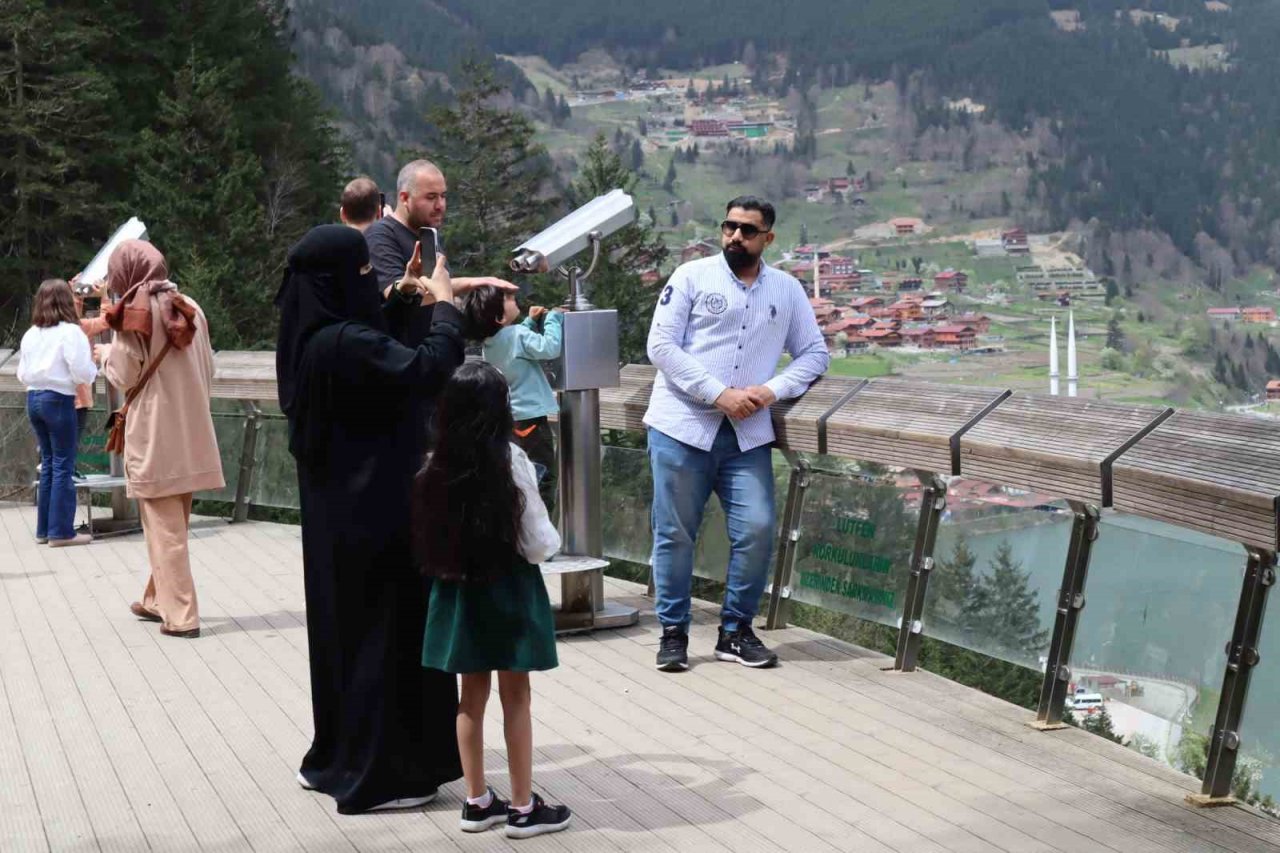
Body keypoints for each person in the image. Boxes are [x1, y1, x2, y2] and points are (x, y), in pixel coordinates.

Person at [275, 224, 465, 815]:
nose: (369, 283)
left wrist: (403, 298)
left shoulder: (309, 338)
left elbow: (377, 347)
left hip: (336, 521)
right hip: (381, 518)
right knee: (389, 643)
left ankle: (336, 758)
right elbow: (423, 371)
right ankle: (388, 774)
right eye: (362, 273)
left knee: (343, 643)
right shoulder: (344, 343)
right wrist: (445, 308)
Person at [643, 195, 830, 673]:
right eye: (729, 227)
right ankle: (673, 633)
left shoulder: (786, 290)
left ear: (768, 238)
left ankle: (735, 632)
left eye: (748, 230)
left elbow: (814, 354)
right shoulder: (690, 276)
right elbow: (660, 345)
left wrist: (770, 391)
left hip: (747, 435)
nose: (735, 237)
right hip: (682, 426)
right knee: (675, 535)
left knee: (758, 529)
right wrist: (717, 393)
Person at [414, 361, 571, 839]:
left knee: (470, 697)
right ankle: (524, 807)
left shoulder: (434, 464)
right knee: (516, 697)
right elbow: (538, 542)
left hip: (459, 589)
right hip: (509, 590)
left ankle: (477, 800)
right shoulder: (511, 461)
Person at [95, 241, 224, 639]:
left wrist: (103, 355)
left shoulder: (135, 315)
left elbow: (123, 375)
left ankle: (182, 617)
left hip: (154, 433)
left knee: (165, 530)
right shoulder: (192, 307)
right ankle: (155, 600)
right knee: (173, 526)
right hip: (193, 430)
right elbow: (210, 367)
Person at [460, 285, 563, 512]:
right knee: (543, 475)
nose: (513, 297)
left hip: (512, 421)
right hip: (532, 422)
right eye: (506, 298)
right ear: (499, 316)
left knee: (521, 476)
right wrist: (554, 318)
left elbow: (514, 348)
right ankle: (541, 532)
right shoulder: (517, 335)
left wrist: (529, 322)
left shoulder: (491, 342)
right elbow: (550, 348)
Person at [16, 279, 98, 547]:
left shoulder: (31, 333)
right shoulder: (71, 333)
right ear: (66, 302)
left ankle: (45, 530)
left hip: (33, 397)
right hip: (59, 399)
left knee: (49, 464)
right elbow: (81, 372)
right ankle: (61, 532)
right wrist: (93, 368)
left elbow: (21, 373)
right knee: (63, 464)